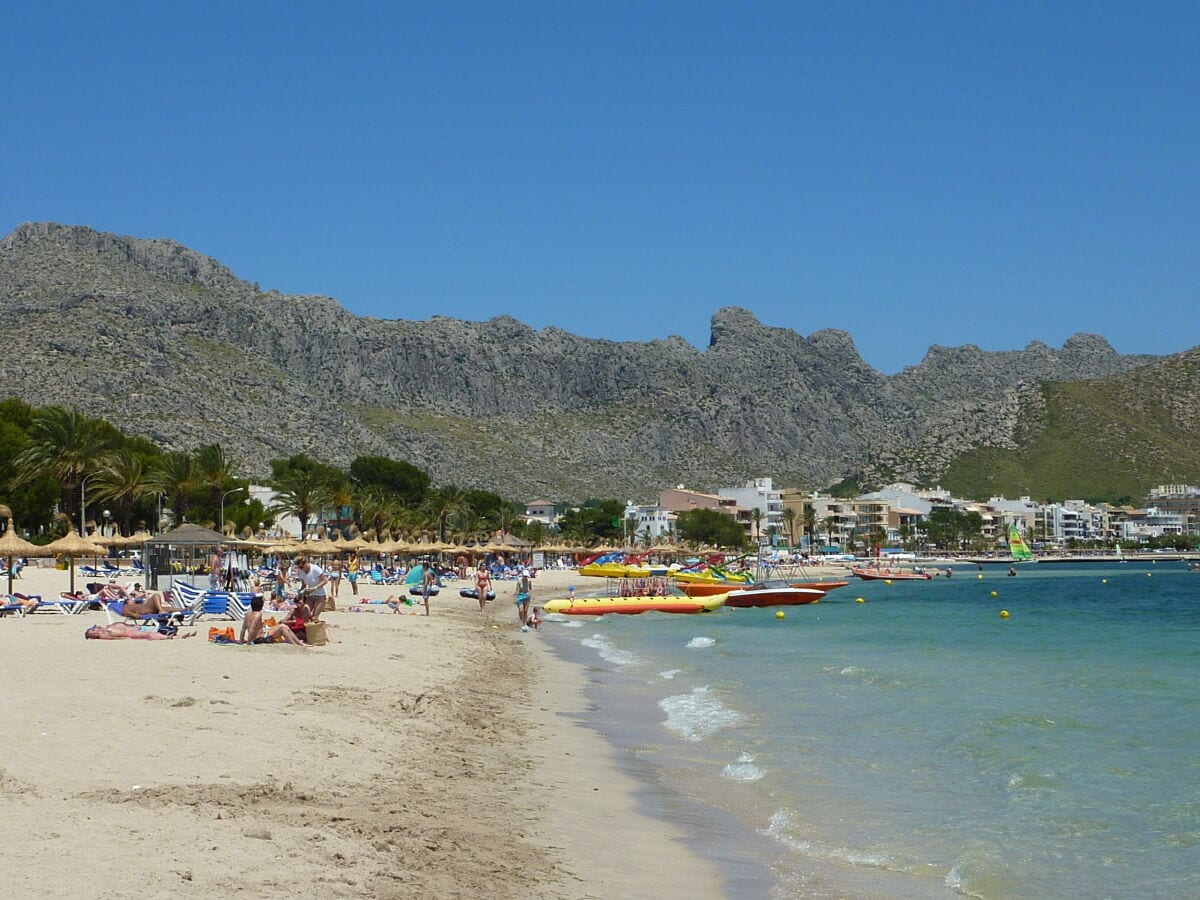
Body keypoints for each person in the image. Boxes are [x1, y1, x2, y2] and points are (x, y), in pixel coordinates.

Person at [240, 596, 308, 647]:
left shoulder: (247, 615)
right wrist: (249, 643)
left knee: (284, 626)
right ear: (261, 606)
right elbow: (252, 629)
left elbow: (243, 630)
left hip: (261, 636)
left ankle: (299, 643)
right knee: (282, 627)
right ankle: (296, 645)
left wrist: (241, 641)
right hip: (260, 639)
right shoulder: (258, 614)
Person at [289, 555, 330, 621]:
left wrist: (315, 588)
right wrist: (300, 594)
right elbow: (303, 585)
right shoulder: (300, 572)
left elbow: (325, 580)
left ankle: (318, 629)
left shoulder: (315, 569)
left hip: (320, 595)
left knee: (314, 617)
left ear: (305, 563)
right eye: (299, 567)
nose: (300, 569)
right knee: (305, 616)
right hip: (310, 595)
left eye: (301, 567)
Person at [85, 622, 195, 640]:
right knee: (148, 634)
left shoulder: (106, 628)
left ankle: (178, 636)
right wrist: (124, 638)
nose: (96, 628)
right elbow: (113, 638)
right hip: (129, 633)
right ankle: (169, 637)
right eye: (93, 629)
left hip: (131, 630)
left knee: (150, 633)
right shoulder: (103, 634)